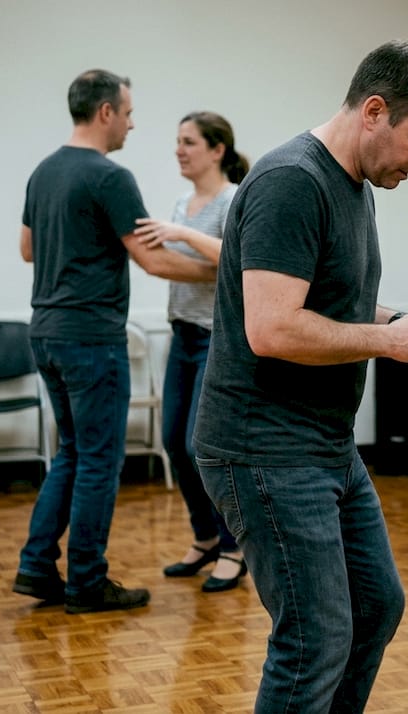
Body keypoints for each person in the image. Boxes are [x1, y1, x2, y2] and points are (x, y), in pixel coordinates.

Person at [193, 41, 408, 712]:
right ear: (375, 111)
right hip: (263, 449)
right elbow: (273, 327)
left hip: (322, 445)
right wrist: (387, 340)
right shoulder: (293, 180)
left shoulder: (353, 185)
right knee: (314, 639)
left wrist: (407, 321)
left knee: (375, 608)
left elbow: (328, 301)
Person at [12, 69, 214, 615]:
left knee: (72, 453)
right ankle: (86, 582)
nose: (131, 123)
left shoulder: (43, 172)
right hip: (91, 339)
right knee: (99, 460)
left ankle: (36, 566)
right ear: (105, 113)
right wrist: (227, 272)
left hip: (45, 333)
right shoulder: (110, 176)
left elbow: (28, 249)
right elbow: (152, 259)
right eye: (127, 112)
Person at [132, 111, 250, 592]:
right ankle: (203, 539)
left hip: (215, 338)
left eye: (189, 142)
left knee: (200, 446)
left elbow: (240, 257)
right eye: (177, 142)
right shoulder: (184, 201)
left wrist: (181, 235)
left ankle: (233, 546)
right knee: (171, 443)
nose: (180, 150)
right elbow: (182, 266)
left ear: (217, 149)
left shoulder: (232, 198)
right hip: (181, 335)